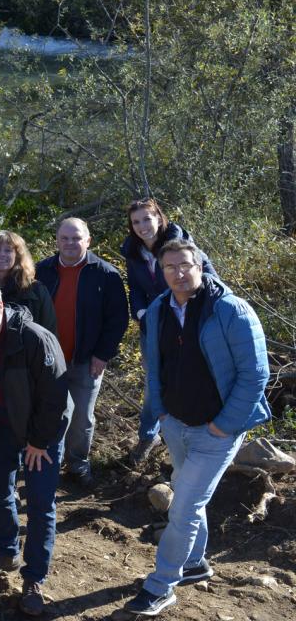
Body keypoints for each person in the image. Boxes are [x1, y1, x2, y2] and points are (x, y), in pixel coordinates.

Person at [123, 238, 271, 617]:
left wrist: (225, 426)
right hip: (176, 424)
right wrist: (159, 413)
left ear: (201, 265)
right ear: (161, 271)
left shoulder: (230, 310)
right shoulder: (158, 309)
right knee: (189, 499)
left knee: (184, 507)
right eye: (170, 267)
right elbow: (155, 366)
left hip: (216, 431)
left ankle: (161, 585)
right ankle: (194, 564)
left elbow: (255, 376)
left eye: (186, 264)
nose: (179, 272)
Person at [0, 277, 71, 617]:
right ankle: (7, 550)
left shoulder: (35, 338)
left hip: (42, 431)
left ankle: (34, 577)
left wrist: (39, 441)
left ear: (1, 305)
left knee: (39, 503)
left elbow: (56, 400)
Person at [119, 198, 219, 466]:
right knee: (154, 381)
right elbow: (136, 289)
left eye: (147, 219)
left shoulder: (179, 242)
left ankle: (197, 432)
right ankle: (148, 435)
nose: (143, 226)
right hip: (153, 325)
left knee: (192, 374)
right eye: (136, 221)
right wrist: (141, 314)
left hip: (187, 321)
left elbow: (208, 274)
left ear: (159, 218)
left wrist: (212, 308)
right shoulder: (133, 252)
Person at [35, 218, 129, 487]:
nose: (70, 243)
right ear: (57, 240)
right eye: (64, 238)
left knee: (81, 417)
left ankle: (77, 464)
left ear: (88, 241)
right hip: (48, 360)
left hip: (86, 359)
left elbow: (117, 319)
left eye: (76, 238)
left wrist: (103, 354)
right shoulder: (43, 270)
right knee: (48, 412)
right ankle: (49, 462)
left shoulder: (106, 274)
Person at [0, 231, 57, 333]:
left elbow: (49, 332)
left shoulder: (36, 290)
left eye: (8, 250)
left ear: (17, 256)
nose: (2, 254)